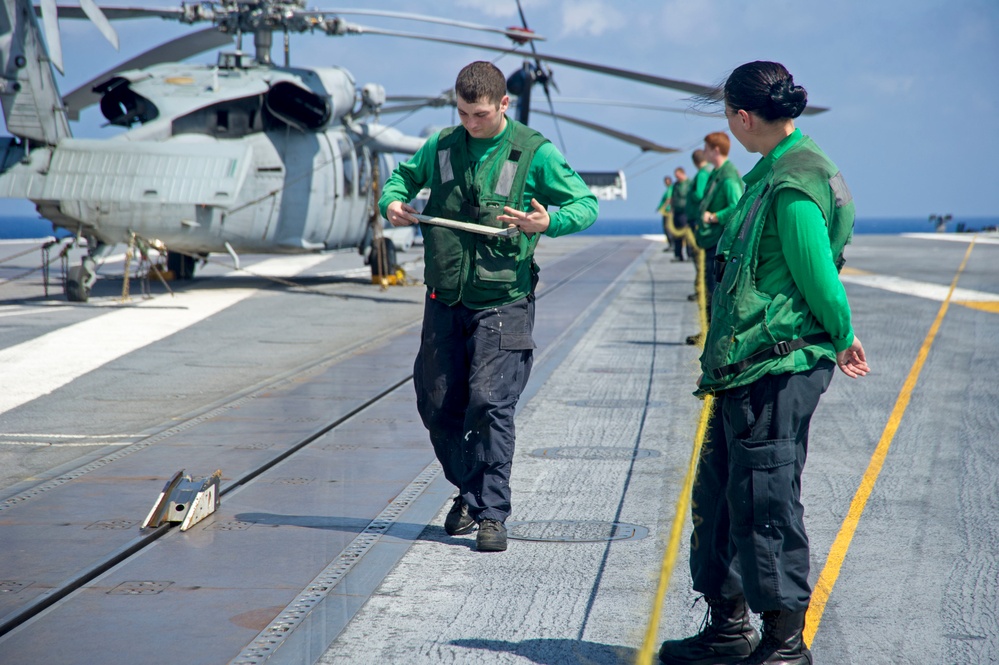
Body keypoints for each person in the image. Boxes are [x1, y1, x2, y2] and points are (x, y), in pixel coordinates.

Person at [658, 61, 870, 665]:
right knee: (723, 500)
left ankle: (783, 646)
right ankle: (727, 628)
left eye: (728, 113)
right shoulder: (771, 170)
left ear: (744, 118)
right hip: (744, 369)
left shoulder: (794, 183)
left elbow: (818, 273)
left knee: (765, 503)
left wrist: (845, 333)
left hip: (776, 370)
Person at [380, 61, 598, 553]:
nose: (470, 124)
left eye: (479, 115)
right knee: (438, 406)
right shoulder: (441, 146)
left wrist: (550, 222)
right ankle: (472, 494)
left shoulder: (533, 153)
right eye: (462, 113)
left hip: (503, 303)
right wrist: (391, 203)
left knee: (490, 405)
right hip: (444, 300)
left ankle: (491, 513)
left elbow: (586, 204)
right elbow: (400, 179)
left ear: (502, 104)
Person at [686, 132, 743, 345]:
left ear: (715, 150)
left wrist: (713, 216)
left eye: (707, 148)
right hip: (711, 242)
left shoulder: (727, 176)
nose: (705, 152)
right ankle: (709, 333)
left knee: (715, 291)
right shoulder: (716, 173)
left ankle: (714, 338)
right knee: (710, 289)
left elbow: (737, 205)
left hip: (719, 244)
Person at [669, 167, 692, 261]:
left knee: (687, 235)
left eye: (678, 176)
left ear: (683, 174)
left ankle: (690, 255)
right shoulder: (676, 185)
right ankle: (678, 255)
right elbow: (673, 197)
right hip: (676, 212)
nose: (677, 178)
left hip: (685, 213)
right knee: (677, 235)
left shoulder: (689, 184)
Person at [657, 175, 675, 251]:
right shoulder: (669, 189)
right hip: (667, 211)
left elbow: (668, 199)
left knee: (668, 228)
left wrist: (663, 208)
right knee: (667, 228)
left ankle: (672, 244)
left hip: (668, 212)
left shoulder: (670, 189)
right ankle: (671, 244)